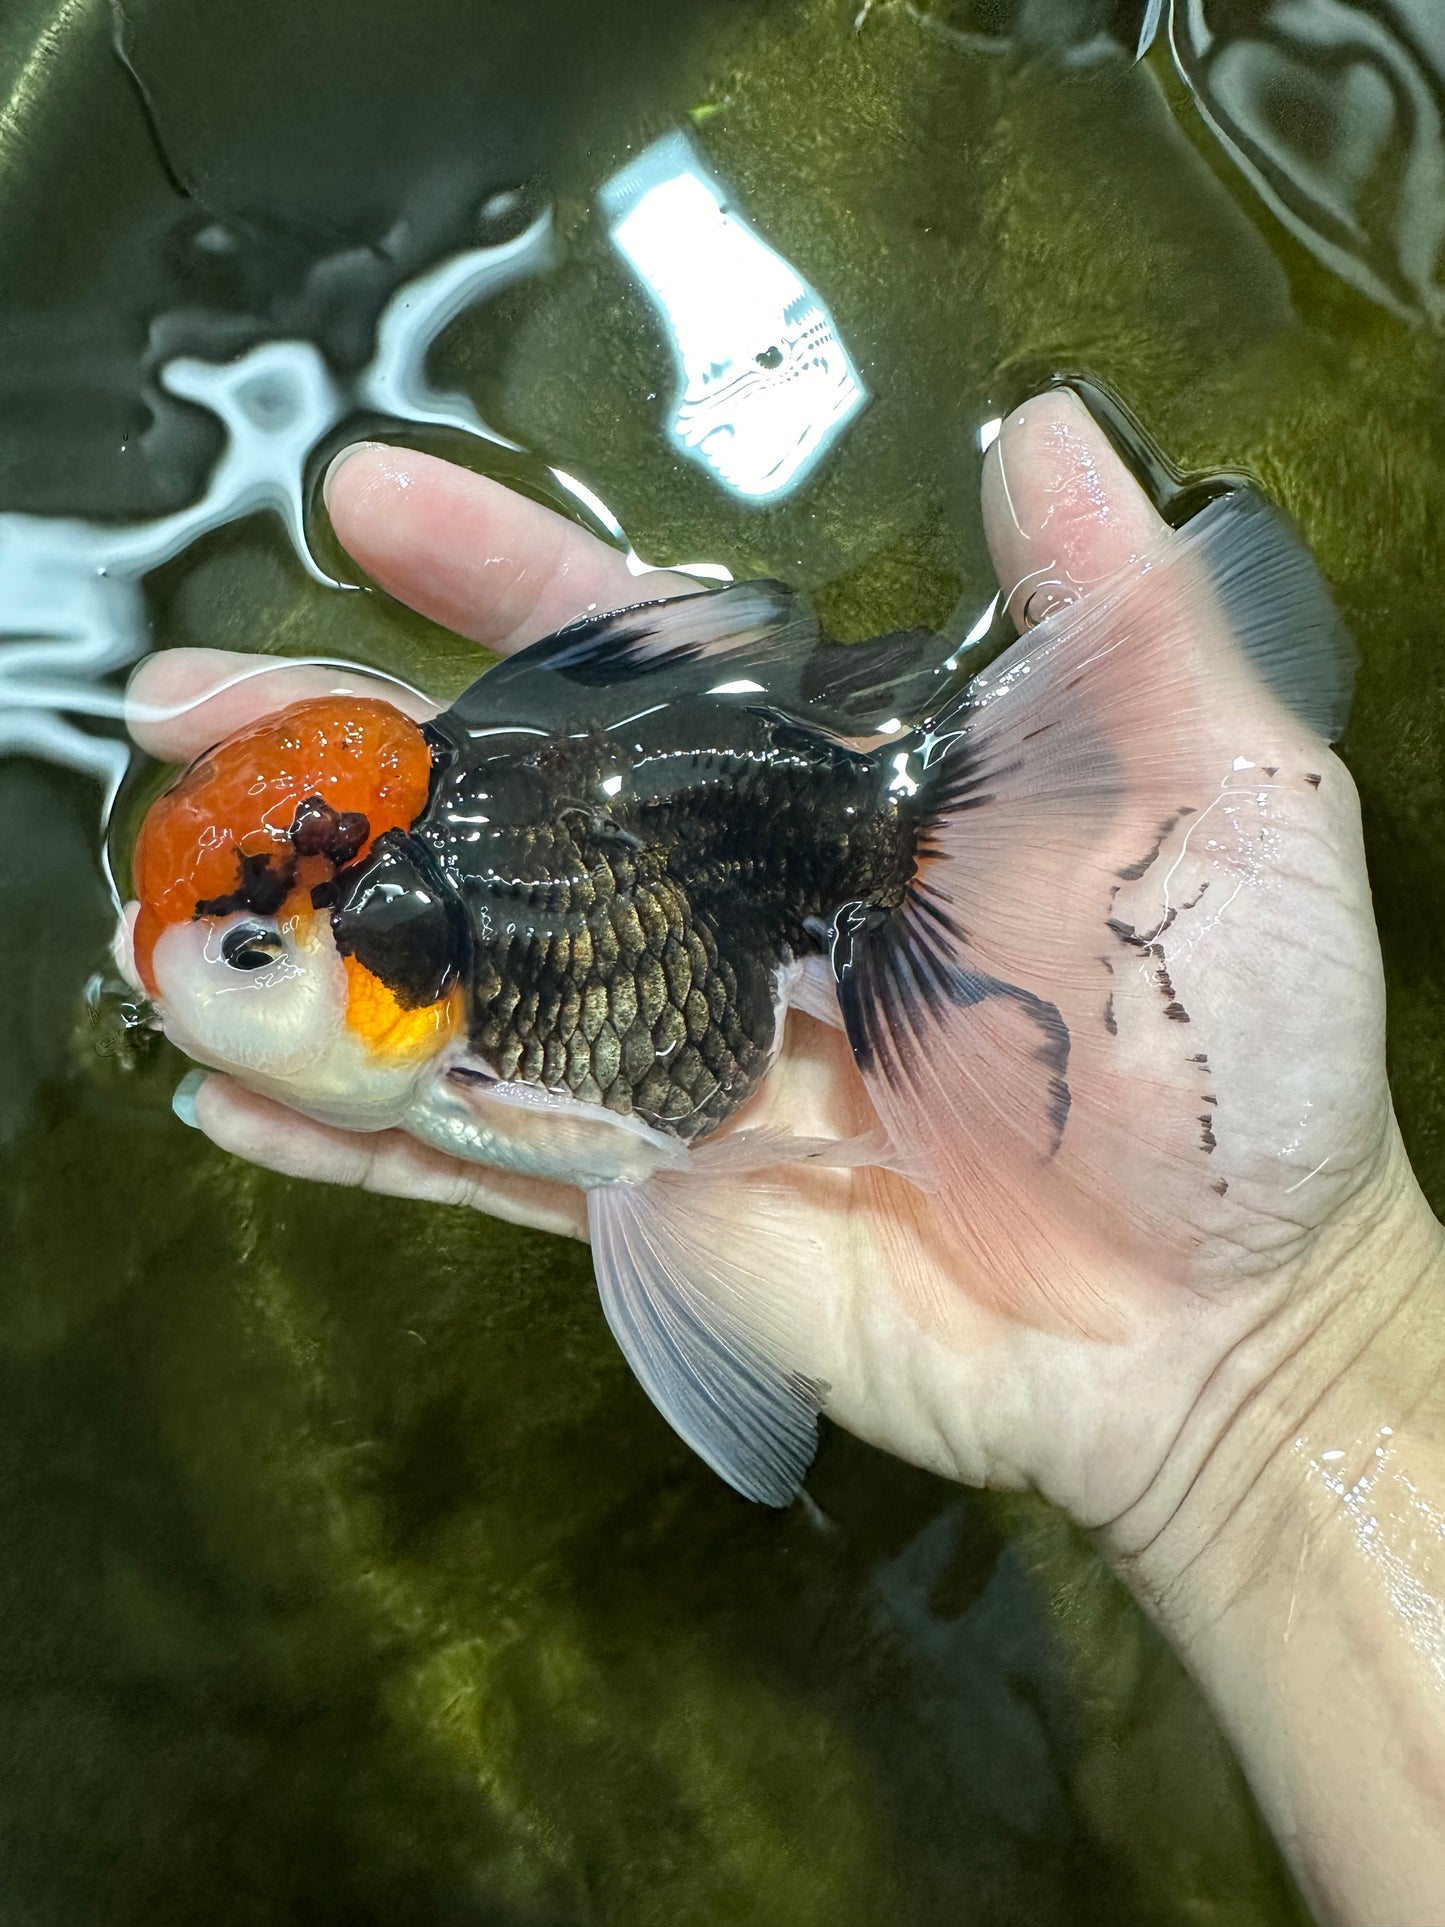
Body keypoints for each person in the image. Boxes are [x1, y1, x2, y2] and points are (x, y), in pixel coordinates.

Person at [128, 391, 1445, 1927]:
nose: (190, 996)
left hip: (771, 864)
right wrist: (1281, 1391)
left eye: (238, 962)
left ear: (391, 957)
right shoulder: (443, 983)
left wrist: (1282, 1346)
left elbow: (644, 1161)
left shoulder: (476, 1022)